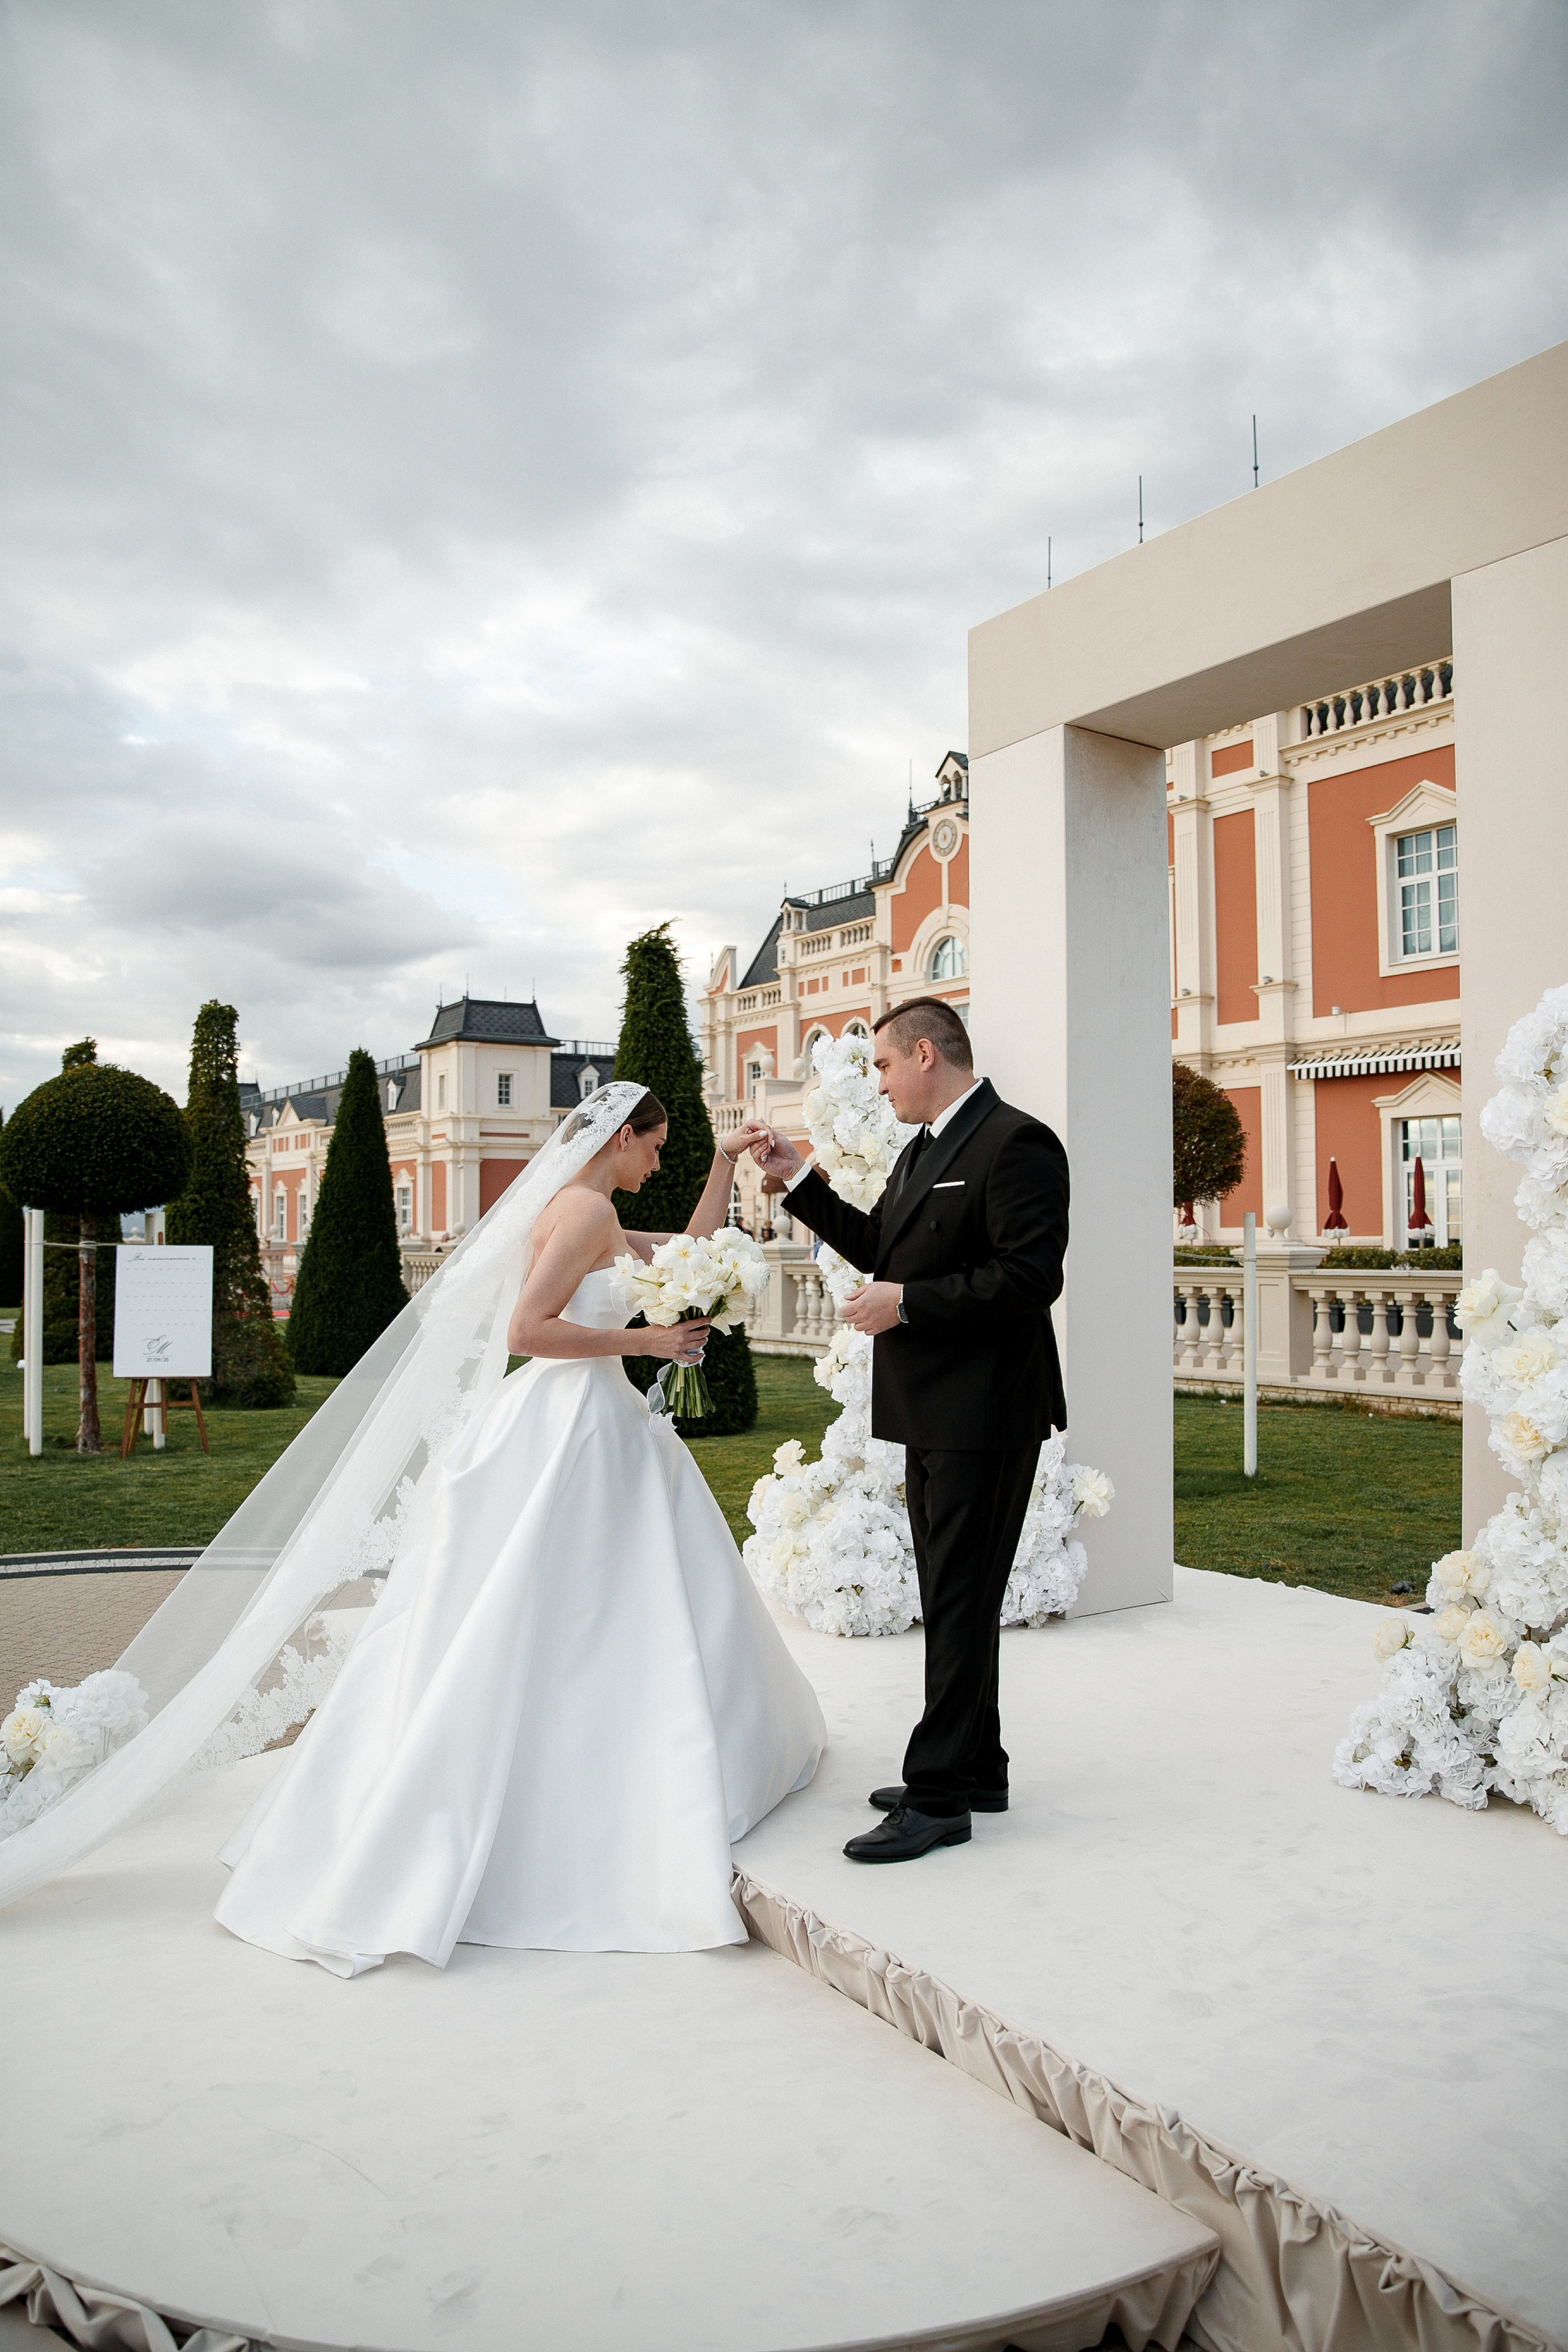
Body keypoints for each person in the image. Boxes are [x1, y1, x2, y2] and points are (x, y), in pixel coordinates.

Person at [0, 1084, 824, 1969]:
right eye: (658, 1148)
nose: (657, 1164)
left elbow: (688, 1251)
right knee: (566, 1608)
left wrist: (720, 1164)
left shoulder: (583, 1208)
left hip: (589, 1422)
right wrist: (647, 1345)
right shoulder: (584, 1210)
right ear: (623, 1137)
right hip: (569, 1422)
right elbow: (528, 1329)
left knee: (567, 1606)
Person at [747, 1000, 1068, 1864]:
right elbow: (883, 1242)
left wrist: (909, 1304)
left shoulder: (1017, 1142)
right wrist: (799, 1178)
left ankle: (936, 1799)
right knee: (952, 1595)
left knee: (958, 1598)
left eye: (884, 1067)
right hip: (931, 1407)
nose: (879, 1084)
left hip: (988, 1410)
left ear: (925, 1055)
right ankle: (979, 1768)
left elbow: (1031, 1278)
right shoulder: (926, 1147)